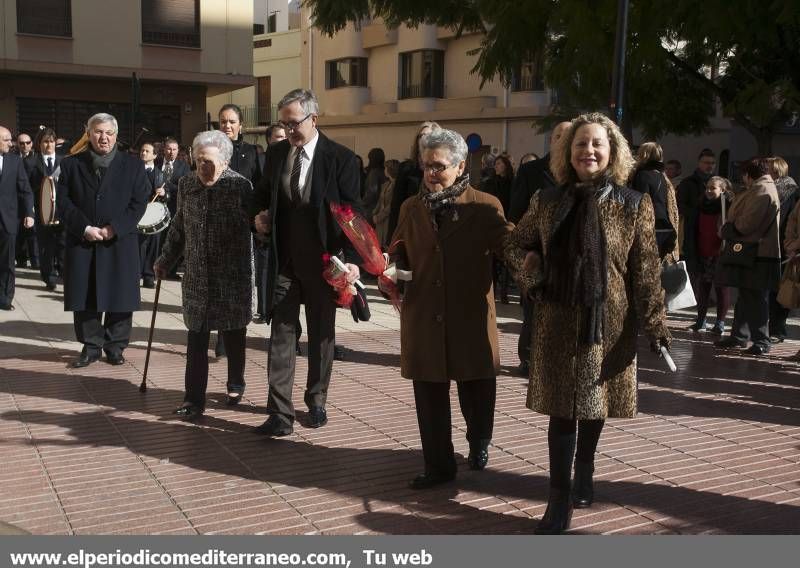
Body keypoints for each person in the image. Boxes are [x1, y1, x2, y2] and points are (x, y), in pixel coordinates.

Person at [505, 113, 670, 534]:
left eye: (597, 144)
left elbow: (645, 270)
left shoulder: (633, 205)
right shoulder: (546, 200)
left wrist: (656, 326)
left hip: (609, 324)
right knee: (562, 411)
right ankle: (557, 500)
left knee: (594, 406)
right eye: (580, 144)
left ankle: (586, 467)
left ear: (612, 151)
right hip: (556, 321)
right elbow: (513, 242)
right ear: (567, 151)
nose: (589, 151)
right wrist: (530, 273)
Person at [390, 129, 513, 489]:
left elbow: (508, 244)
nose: (431, 173)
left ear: (460, 166)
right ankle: (438, 465)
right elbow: (397, 249)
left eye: (439, 166)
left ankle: (479, 442)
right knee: (429, 394)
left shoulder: (484, 205)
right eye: (426, 165)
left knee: (476, 388)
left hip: (468, 315)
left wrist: (532, 259)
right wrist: (388, 269)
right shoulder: (411, 207)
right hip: (424, 315)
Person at [252, 88, 362, 437]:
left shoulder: (341, 159)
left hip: (323, 261)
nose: (287, 130)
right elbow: (261, 193)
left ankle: (316, 400)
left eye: (293, 122)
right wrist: (257, 216)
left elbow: (356, 213)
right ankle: (279, 413)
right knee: (281, 333)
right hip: (284, 259)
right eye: (282, 123)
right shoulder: (276, 154)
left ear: (313, 118)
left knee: (321, 334)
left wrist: (354, 260)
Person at [155, 131, 253, 419]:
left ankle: (236, 382)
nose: (202, 169)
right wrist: (165, 260)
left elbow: (255, 230)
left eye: (209, 162)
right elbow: (179, 226)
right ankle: (193, 399)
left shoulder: (240, 186)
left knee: (234, 334)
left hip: (233, 278)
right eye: (198, 162)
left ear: (224, 161)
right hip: (198, 276)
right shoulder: (186, 185)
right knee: (196, 338)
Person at [56, 113, 148, 367]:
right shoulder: (70, 165)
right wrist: (84, 227)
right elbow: (63, 203)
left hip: (119, 241)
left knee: (120, 295)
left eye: (108, 133)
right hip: (83, 240)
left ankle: (115, 346)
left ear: (116, 136)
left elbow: (139, 203)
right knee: (86, 295)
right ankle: (91, 346)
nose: (103, 137)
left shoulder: (133, 165)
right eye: (98, 132)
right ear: (89, 133)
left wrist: (114, 229)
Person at [508, 121, 572, 377]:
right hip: (537, 255)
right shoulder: (531, 171)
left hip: (569, 257)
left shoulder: (580, 174)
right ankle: (529, 357)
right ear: (551, 140)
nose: (564, 140)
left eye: (570, 136)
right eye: (559, 135)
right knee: (533, 310)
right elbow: (516, 212)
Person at [715, 158, 780, 356]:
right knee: (746, 295)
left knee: (755, 296)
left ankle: (761, 340)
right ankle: (739, 336)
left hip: (757, 253)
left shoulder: (761, 190)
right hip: (753, 251)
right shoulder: (760, 188)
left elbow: (747, 223)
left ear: (748, 174)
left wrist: (728, 229)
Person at [685, 176, 732, 334]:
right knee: (702, 289)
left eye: (713, 188)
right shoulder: (700, 205)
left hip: (720, 253)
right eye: (707, 188)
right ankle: (701, 320)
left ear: (723, 190)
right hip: (702, 252)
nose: (709, 191)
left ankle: (720, 323)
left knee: (721, 289)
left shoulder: (728, 207)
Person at [386, 122, 441, 240]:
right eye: (421, 135)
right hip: (410, 228)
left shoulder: (443, 168)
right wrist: (391, 238)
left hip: (435, 229)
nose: (424, 139)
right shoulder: (407, 168)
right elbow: (396, 204)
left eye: (429, 135)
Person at [0, 126, 35, 310]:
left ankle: (5, 298)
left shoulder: (15, 162)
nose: (10, 143)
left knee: (7, 262)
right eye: (6, 139)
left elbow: (25, 190)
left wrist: (29, 213)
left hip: (8, 220)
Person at [25, 128, 65, 291]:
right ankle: (49, 277)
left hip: (62, 211)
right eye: (45, 141)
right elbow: (25, 187)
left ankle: (64, 272)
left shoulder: (65, 161)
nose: (49, 144)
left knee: (63, 243)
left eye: (51, 141)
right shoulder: (31, 162)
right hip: (41, 211)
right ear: (39, 144)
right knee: (46, 246)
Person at [630, 142, 679, 262]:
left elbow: (642, 202)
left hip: (651, 226)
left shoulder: (641, 175)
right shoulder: (663, 177)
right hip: (666, 226)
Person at [766, 156, 798, 343]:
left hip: (784, 248)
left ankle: (778, 330)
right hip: (768, 247)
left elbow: (793, 223)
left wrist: (790, 246)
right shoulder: (766, 191)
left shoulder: (792, 192)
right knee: (769, 290)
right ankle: (770, 329)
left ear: (777, 171)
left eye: (769, 169)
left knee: (781, 291)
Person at [482, 154, 515, 303]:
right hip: (492, 223)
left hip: (509, 222)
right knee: (493, 260)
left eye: (500, 163)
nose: (496, 166)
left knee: (507, 259)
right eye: (495, 163)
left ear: (506, 166)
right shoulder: (489, 183)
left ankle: (504, 293)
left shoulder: (513, 183)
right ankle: (493, 291)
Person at [678, 149, 716, 263]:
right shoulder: (688, 183)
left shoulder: (718, 183)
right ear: (699, 163)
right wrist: (696, 214)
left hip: (712, 228)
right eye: (706, 162)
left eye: (712, 163)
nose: (709, 166)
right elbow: (680, 205)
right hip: (692, 229)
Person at [138, 142, 166, 289]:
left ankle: (149, 276)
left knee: (154, 244)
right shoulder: (134, 172)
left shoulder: (160, 174)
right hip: (138, 213)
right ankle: (136, 275)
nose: (143, 153)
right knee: (138, 245)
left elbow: (166, 196)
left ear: (154, 155)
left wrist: (164, 193)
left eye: (147, 151)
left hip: (153, 215)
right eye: (142, 150)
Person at [373, 159, 399, 248]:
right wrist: (374, 213)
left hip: (388, 219)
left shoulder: (397, 186)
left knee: (387, 245)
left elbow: (391, 205)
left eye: (385, 168)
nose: (384, 170)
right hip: (380, 222)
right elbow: (380, 201)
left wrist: (379, 217)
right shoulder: (385, 184)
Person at [363, 147, 387, 221]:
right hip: (382, 207)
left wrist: (361, 203)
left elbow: (371, 192)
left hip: (372, 208)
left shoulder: (374, 173)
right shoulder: (384, 171)